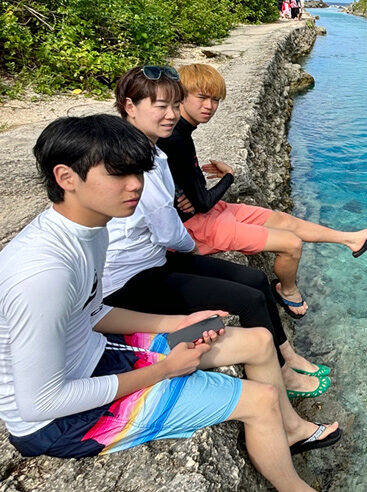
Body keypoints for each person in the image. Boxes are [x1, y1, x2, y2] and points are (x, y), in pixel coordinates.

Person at [0, 114, 340, 490]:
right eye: (118, 174)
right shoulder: (44, 273)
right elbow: (40, 404)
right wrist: (164, 370)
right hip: (62, 421)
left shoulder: (90, 229)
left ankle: (290, 429)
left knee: (259, 340)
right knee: (260, 400)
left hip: (95, 356)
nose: (135, 186)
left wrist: (171, 324)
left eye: (139, 173)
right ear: (66, 178)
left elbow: (92, 313)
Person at [102, 66, 330, 399]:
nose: (170, 115)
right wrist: (188, 239)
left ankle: (288, 354)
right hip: (131, 279)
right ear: (129, 106)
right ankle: (282, 376)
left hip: (155, 260)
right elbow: (170, 232)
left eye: (173, 105)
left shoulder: (154, 150)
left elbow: (171, 215)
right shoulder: (137, 160)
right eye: (159, 106)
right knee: (250, 300)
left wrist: (180, 215)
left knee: (254, 281)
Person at [159, 64, 367, 319]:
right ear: (180, 96)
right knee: (291, 244)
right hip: (197, 229)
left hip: (208, 214)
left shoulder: (181, 132)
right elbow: (201, 203)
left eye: (215, 99)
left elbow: (190, 192)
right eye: (202, 98)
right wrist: (228, 177)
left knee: (283, 219)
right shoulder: (175, 138)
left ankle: (351, 239)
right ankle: (287, 290)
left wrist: (185, 193)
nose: (210, 106)